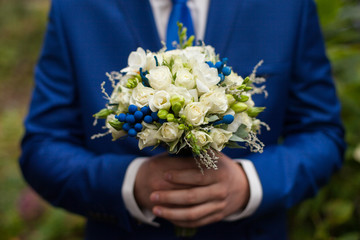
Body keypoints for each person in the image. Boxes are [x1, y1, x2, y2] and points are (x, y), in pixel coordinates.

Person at [20, 0, 345, 239]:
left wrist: (249, 185)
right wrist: (131, 184)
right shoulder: (75, 8)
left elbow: (322, 133)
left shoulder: (288, 7)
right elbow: (43, 147)